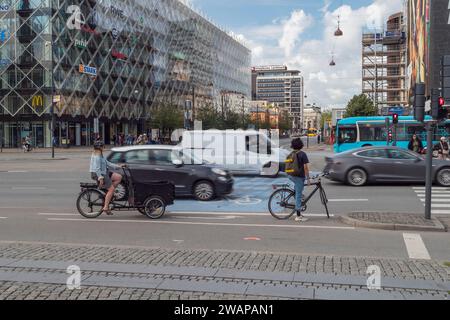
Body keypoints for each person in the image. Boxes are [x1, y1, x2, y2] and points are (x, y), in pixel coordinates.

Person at [89, 141, 123, 215]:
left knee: (119, 177)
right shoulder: (97, 156)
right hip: (99, 174)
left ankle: (109, 193)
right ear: (99, 147)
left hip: (104, 172)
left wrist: (118, 166)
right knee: (111, 189)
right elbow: (97, 168)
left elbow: (107, 163)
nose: (103, 148)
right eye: (102, 146)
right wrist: (100, 178)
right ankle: (106, 207)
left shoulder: (100, 154)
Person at [286, 138, 311, 222]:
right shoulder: (302, 154)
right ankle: (298, 216)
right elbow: (305, 168)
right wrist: (308, 179)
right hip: (298, 177)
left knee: (297, 192)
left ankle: (298, 207)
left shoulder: (291, 153)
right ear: (301, 145)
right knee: (298, 195)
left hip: (291, 175)